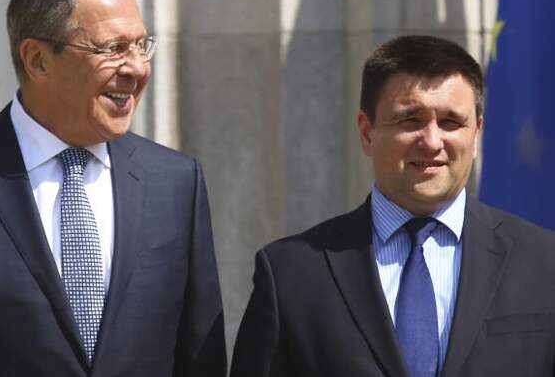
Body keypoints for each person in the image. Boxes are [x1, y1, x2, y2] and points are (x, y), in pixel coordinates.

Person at [0, 0, 226, 376]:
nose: (136, 68)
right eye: (113, 49)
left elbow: (200, 359)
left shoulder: (176, 183)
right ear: (37, 60)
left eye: (141, 46)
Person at [230, 35, 555, 377]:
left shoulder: (545, 263)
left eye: (450, 122)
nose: (432, 141)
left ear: (476, 134)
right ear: (367, 132)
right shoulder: (291, 274)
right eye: (410, 120)